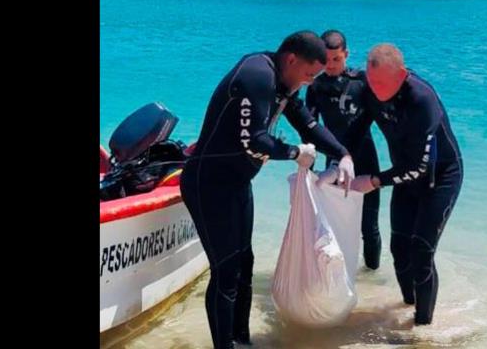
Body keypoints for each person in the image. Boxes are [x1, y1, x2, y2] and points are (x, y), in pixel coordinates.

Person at [180, 31, 356, 348]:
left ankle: (242, 341)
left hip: (237, 184)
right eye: (308, 74)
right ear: (292, 59)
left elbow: (308, 124)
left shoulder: (283, 83)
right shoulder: (256, 76)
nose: (309, 82)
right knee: (226, 272)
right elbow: (255, 140)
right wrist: (295, 153)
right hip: (208, 185)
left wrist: (343, 154)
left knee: (244, 265)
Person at [338, 43, 463, 326]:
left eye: (382, 83)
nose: (376, 89)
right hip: (405, 178)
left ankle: (422, 327)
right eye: (372, 82)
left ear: (402, 74)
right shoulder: (370, 91)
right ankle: (409, 305)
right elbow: (355, 131)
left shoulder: (422, 100)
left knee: (421, 251)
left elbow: (419, 166)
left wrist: (374, 181)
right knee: (399, 249)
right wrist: (341, 157)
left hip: (439, 178)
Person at [305, 30, 382, 270]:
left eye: (336, 59)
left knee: (369, 227)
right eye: (326, 60)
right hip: (334, 163)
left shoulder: (361, 82)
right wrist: (309, 168)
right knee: (332, 225)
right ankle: (337, 277)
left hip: (365, 159)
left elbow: (379, 119)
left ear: (346, 54)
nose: (330, 65)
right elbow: (310, 129)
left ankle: (371, 276)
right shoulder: (315, 86)